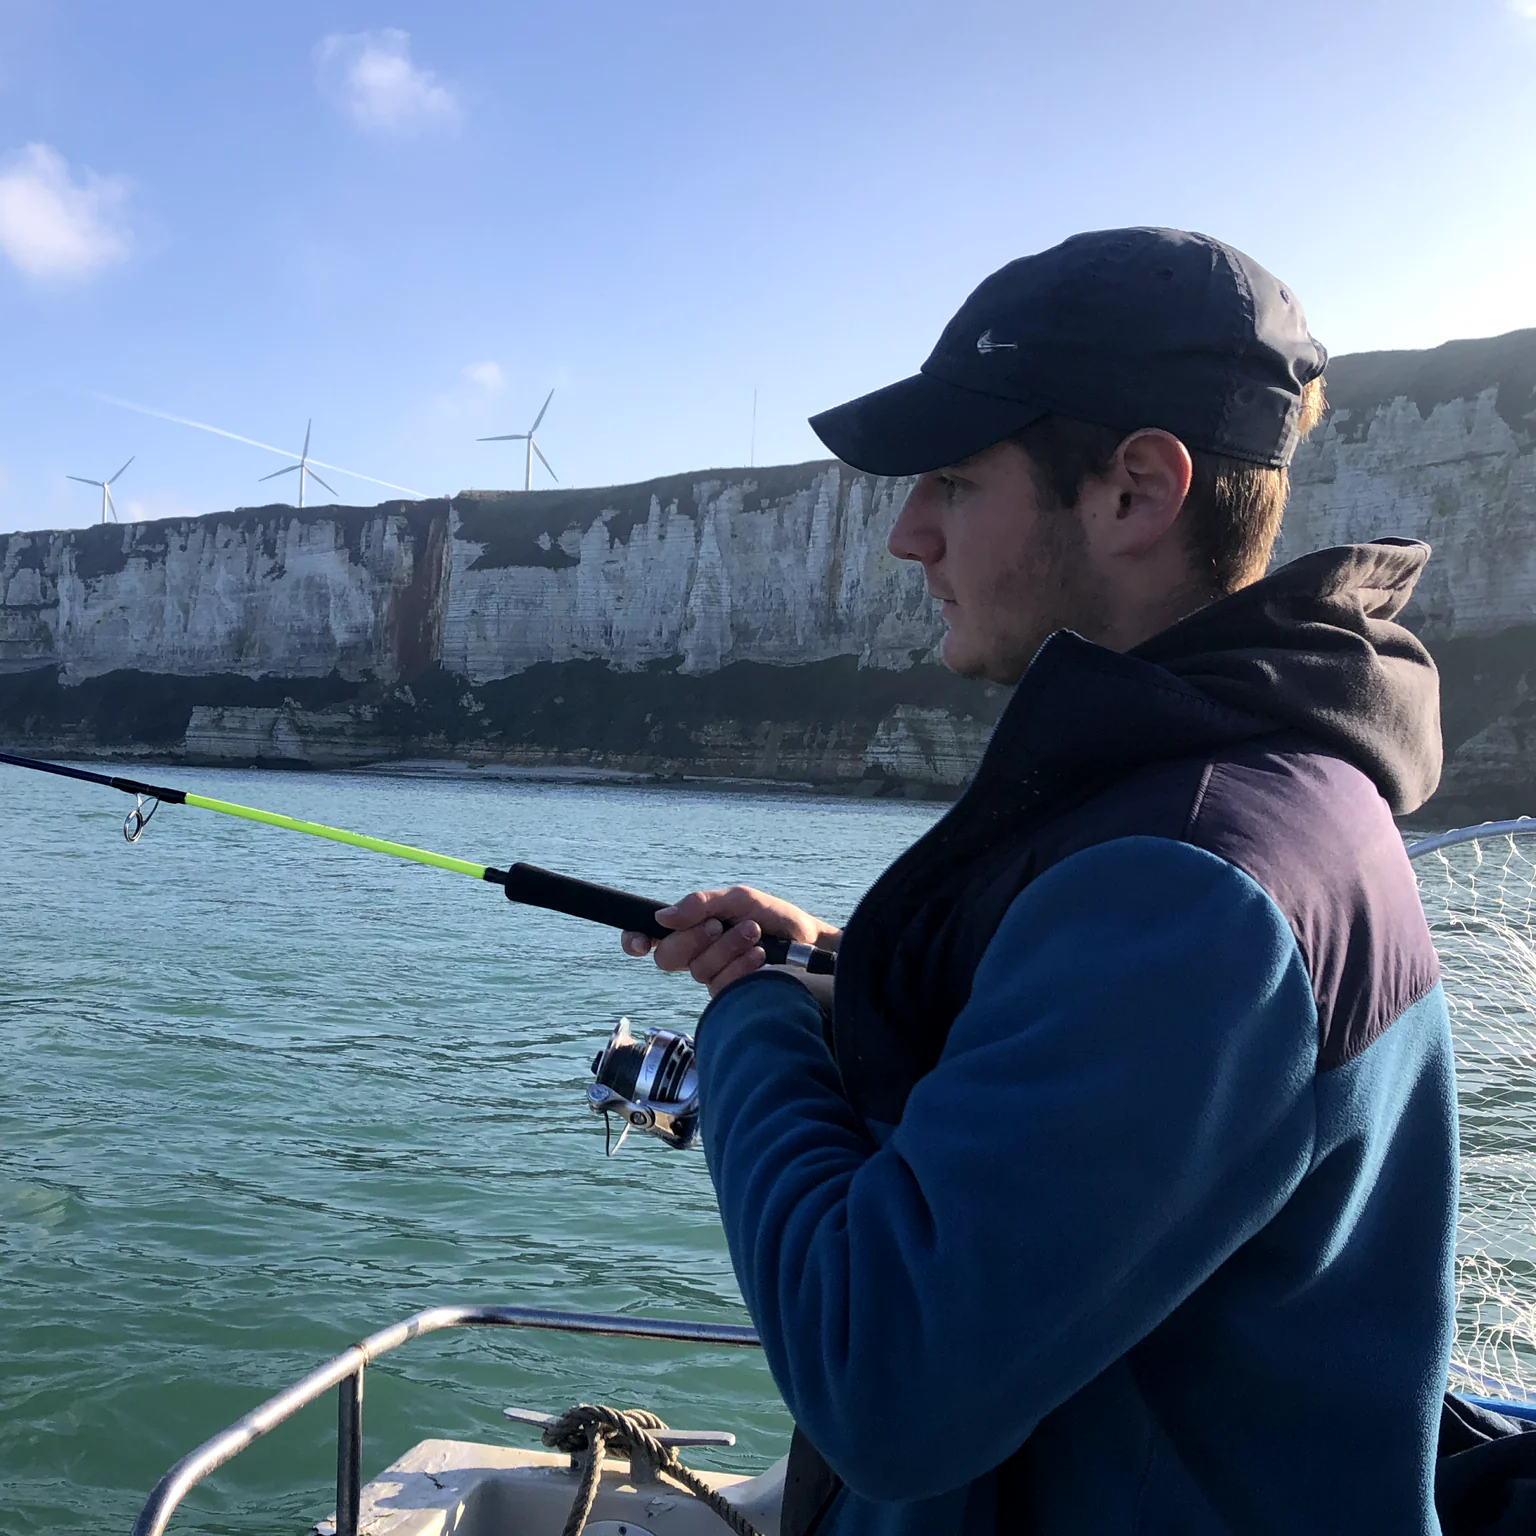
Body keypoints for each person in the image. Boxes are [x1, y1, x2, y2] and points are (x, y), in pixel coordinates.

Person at [622, 227, 1455, 1535]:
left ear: (1135, 490)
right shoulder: (1255, 809)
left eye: (953, 480)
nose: (906, 538)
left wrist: (751, 1018)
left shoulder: (1195, 887)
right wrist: (845, 977)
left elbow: (880, 1377)